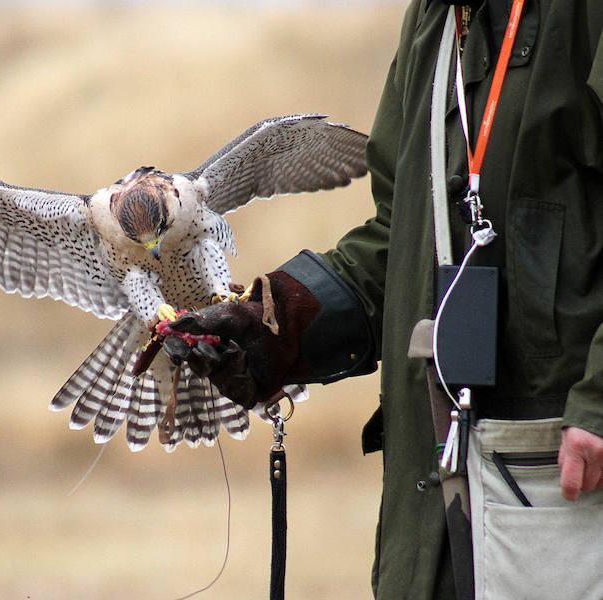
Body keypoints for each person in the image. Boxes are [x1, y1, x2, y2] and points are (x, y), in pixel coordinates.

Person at [163, 1, 603, 598]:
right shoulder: (435, 21)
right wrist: (279, 323)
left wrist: (599, 405)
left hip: (566, 479)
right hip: (441, 494)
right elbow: (406, 239)